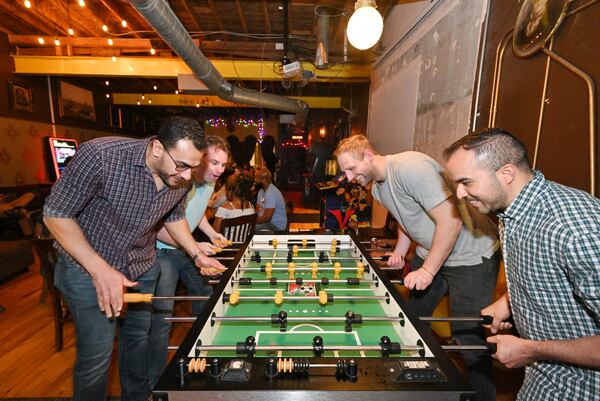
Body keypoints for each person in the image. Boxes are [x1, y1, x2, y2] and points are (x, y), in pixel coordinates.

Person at [43, 117, 217, 401]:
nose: (187, 176)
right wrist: (101, 270)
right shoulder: (101, 155)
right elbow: (55, 214)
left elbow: (173, 216)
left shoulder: (180, 178)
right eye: (182, 166)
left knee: (137, 343)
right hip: (86, 270)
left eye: (193, 167)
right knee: (96, 360)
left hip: (141, 267)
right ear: (158, 148)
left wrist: (196, 253)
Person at [335, 134, 500, 401]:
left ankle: (483, 398)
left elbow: (451, 222)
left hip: (472, 256)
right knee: (409, 321)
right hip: (431, 251)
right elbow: (406, 218)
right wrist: (400, 252)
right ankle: (415, 386)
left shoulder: (411, 168)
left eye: (351, 168)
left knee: (467, 340)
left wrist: (427, 271)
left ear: (367, 154)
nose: (349, 176)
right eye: (344, 171)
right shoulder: (377, 187)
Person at [443, 128, 600, 401]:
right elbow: (551, 273)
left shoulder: (574, 230)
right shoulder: (511, 208)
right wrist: (508, 302)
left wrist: (531, 349)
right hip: (542, 379)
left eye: (466, 182)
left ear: (506, 173)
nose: (459, 194)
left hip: (583, 389)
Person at [147, 135, 230, 388]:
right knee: (162, 319)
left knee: (206, 299)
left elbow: (197, 214)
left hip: (184, 250)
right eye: (214, 163)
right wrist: (194, 247)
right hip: (162, 253)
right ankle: (159, 384)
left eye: (223, 165)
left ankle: (205, 359)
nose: (219, 170)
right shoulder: (181, 183)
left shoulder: (209, 184)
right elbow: (160, 227)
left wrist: (211, 233)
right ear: (200, 160)